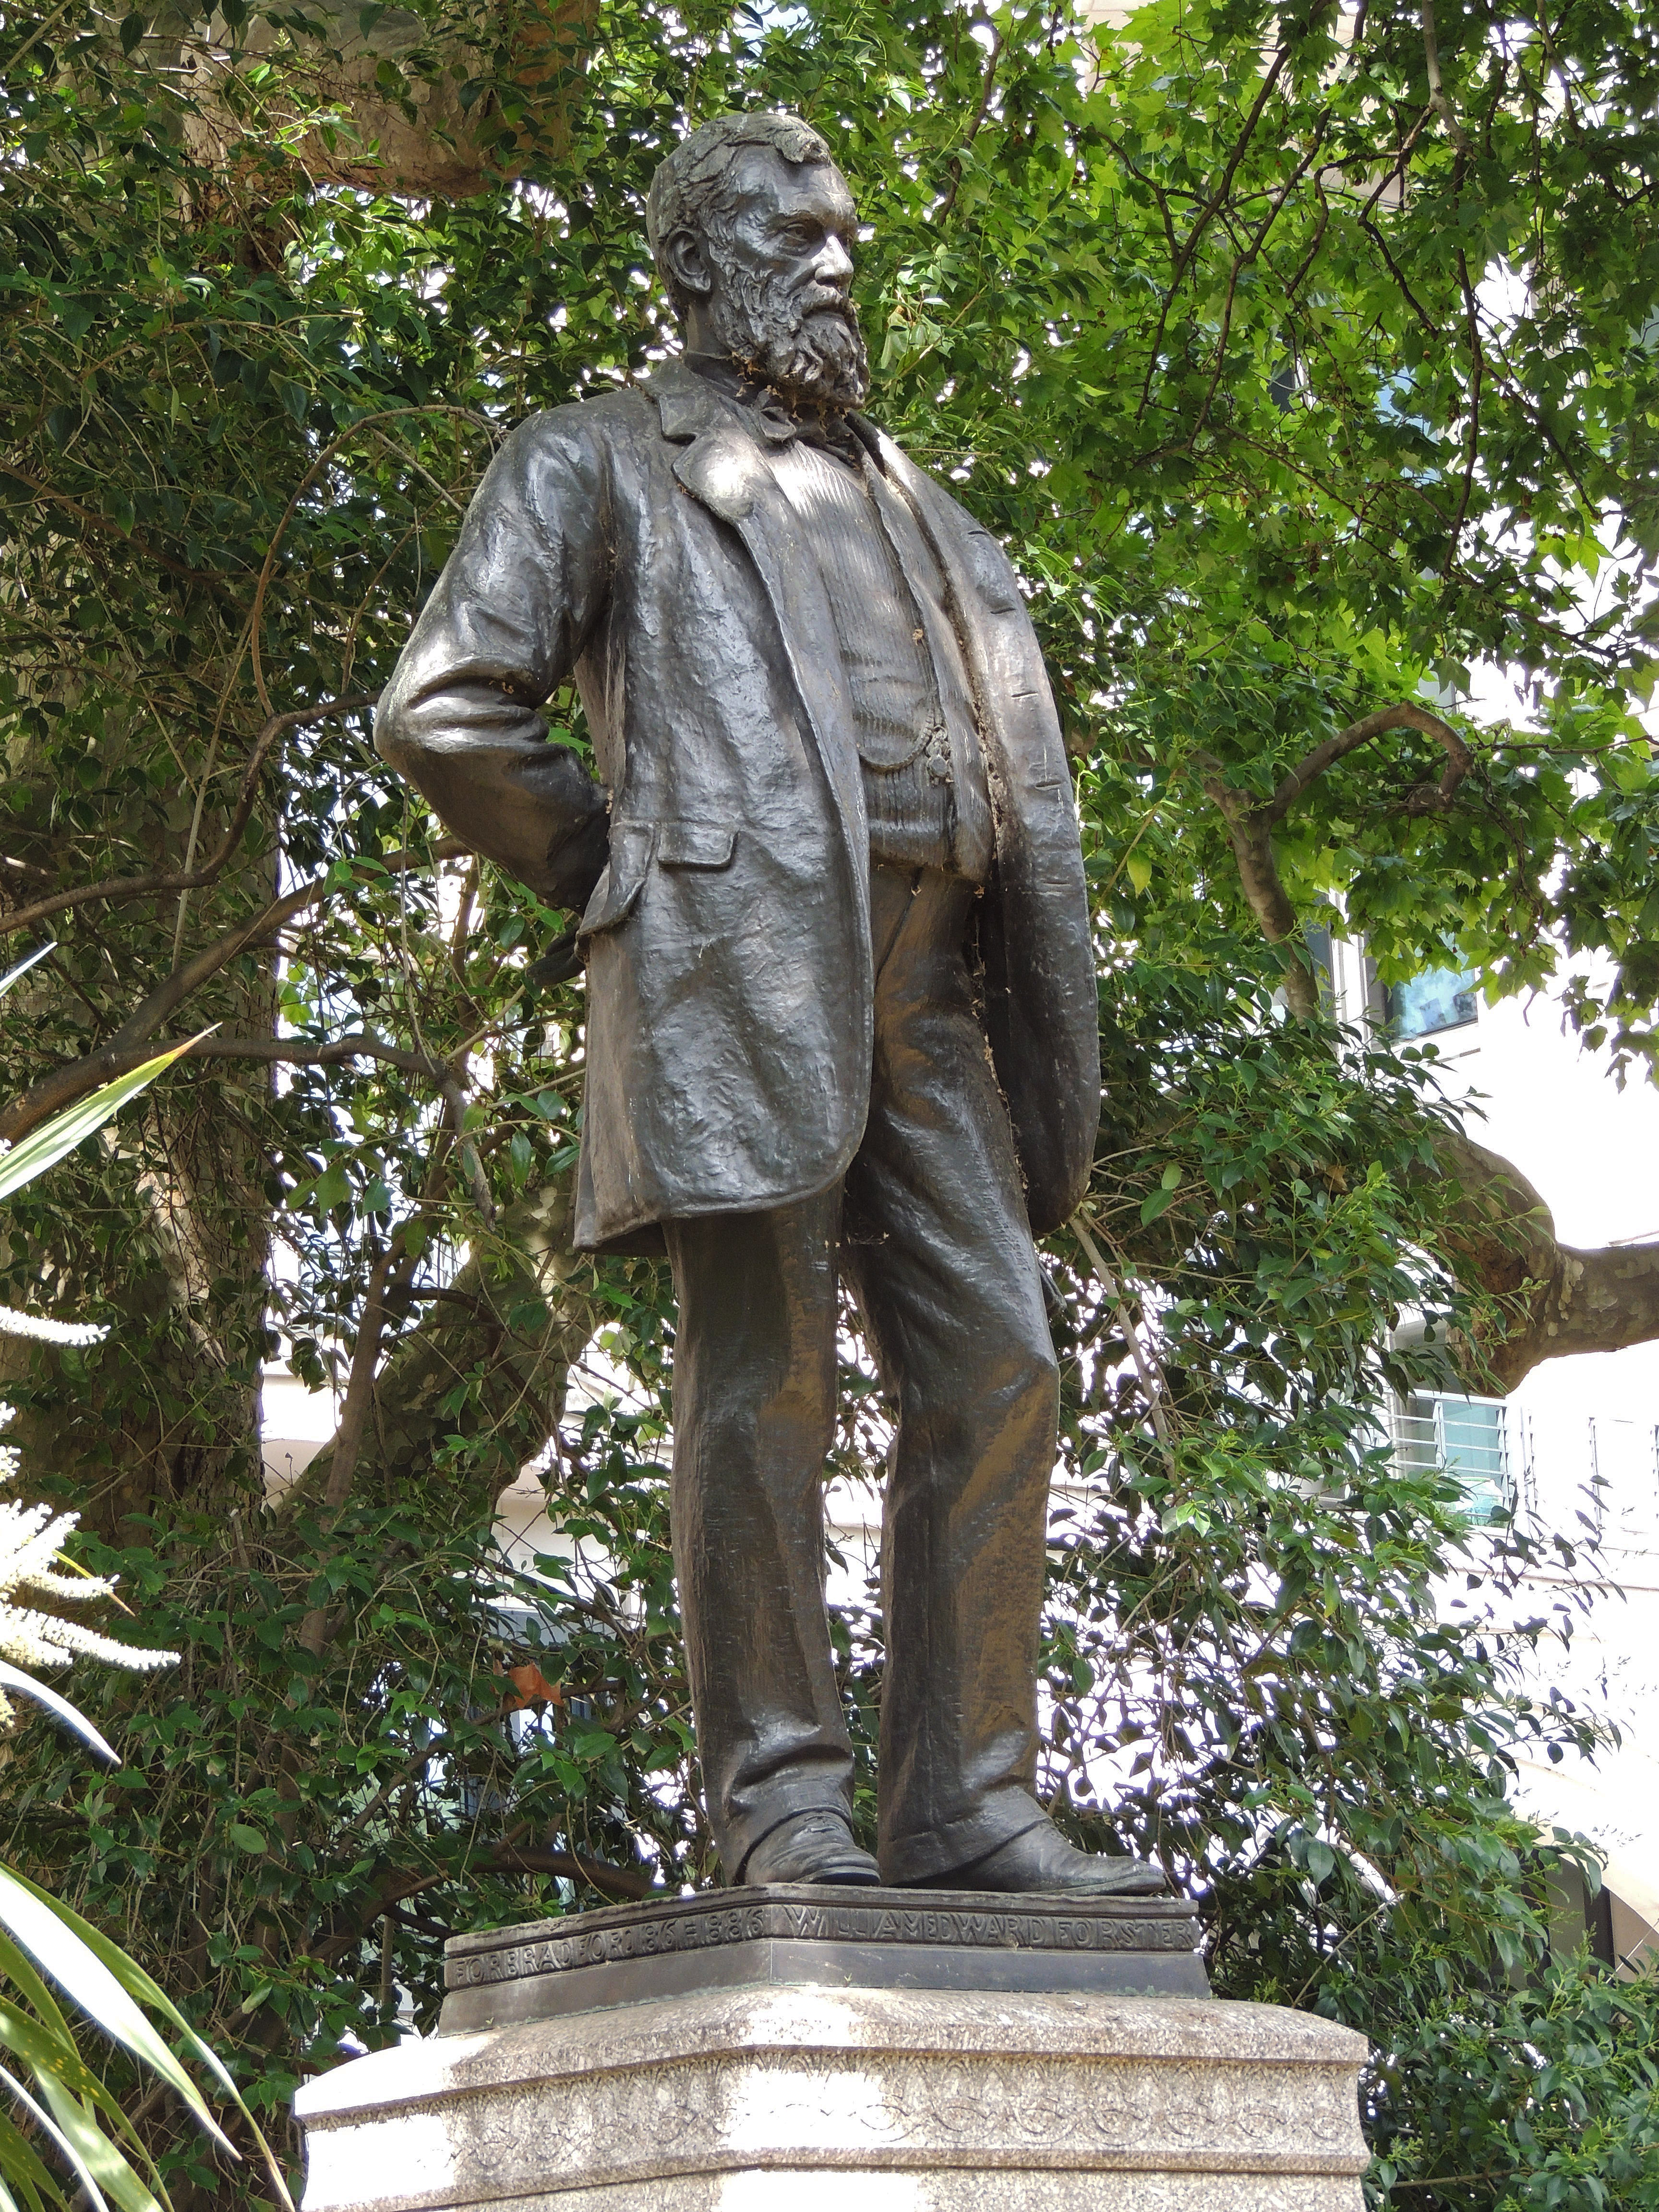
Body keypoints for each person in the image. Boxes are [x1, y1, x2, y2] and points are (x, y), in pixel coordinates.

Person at [375, 111, 1164, 1898]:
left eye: (844, 234)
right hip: (742, 978)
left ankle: (967, 1799)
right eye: (792, 234)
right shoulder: (594, 460)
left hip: (933, 986)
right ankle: (782, 1800)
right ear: (691, 265)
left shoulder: (927, 510)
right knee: (764, 1386)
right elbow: (445, 708)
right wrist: (632, 878)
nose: (836, 262)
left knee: (1003, 1365)